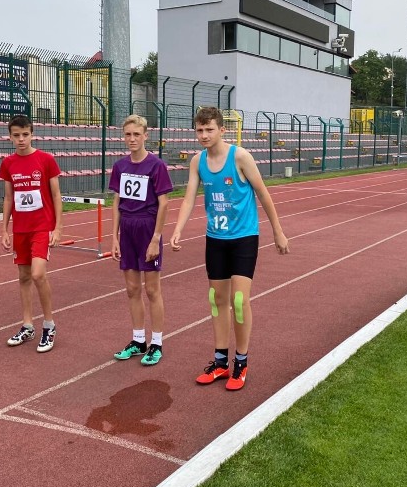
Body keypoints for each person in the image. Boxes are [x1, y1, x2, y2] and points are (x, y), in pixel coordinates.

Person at [170, 107, 289, 391]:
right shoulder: (197, 162)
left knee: (238, 301)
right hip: (216, 239)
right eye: (199, 130)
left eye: (209, 129)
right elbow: (189, 199)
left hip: (244, 238)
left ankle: (241, 362)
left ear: (222, 130)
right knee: (216, 299)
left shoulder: (240, 157)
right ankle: (220, 361)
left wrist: (278, 231)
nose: (204, 135)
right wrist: (177, 229)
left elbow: (263, 193)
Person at [109, 115, 174, 366]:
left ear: (146, 135)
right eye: (128, 135)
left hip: (148, 227)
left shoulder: (156, 166)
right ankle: (138, 340)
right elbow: (116, 203)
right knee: (132, 289)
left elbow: (164, 203)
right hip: (127, 228)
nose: (132, 139)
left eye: (137, 134)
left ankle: (156, 342)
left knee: (152, 289)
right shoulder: (120, 166)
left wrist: (156, 238)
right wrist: (113, 237)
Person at [0, 114, 63, 352]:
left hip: (41, 226)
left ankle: (49, 324)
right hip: (21, 228)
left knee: (38, 274)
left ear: (32, 134)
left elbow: (56, 195)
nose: (21, 139)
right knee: (24, 277)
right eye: (16, 135)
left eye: (25, 135)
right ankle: (27, 325)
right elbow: (8, 198)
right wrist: (4, 229)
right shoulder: (8, 163)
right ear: (10, 137)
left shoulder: (46, 160)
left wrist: (58, 227)